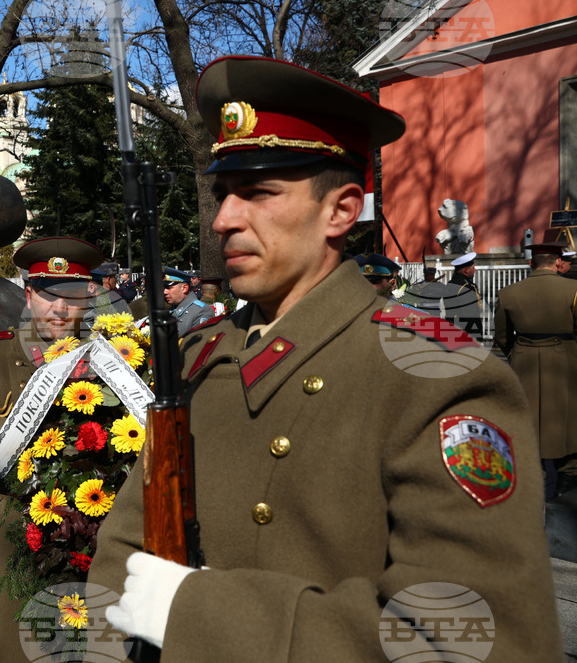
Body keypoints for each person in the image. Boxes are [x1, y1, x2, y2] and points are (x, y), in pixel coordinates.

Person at [89, 55, 562, 661]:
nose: (226, 220)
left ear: (341, 210)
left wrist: (198, 611)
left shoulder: (436, 375)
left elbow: (475, 637)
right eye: (224, 195)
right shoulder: (204, 354)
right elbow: (123, 548)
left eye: (258, 192)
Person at [0, 236, 100, 663]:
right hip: (9, 535)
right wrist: (33, 435)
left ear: (90, 296)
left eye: (72, 298)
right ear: (29, 295)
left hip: (91, 538)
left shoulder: (112, 358)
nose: (60, 310)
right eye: (49, 296)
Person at [494, 242, 577, 500]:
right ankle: (568, 473)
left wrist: (516, 354)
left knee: (529, 416)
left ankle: (535, 473)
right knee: (568, 416)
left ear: (531, 263)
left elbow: (502, 336)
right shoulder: (574, 288)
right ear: (558, 263)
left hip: (524, 358)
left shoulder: (508, 292)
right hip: (565, 357)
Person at [443, 251, 484, 341]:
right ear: (466, 270)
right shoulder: (466, 287)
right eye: (473, 267)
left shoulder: (451, 284)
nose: (475, 269)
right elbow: (469, 316)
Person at [163, 267, 214, 335]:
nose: (165, 292)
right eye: (164, 288)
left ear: (184, 288)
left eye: (169, 288)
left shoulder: (202, 311)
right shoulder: (171, 309)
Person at [84, 261, 129, 329]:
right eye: (115, 278)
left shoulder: (83, 301)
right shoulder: (115, 299)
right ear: (109, 279)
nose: (115, 281)